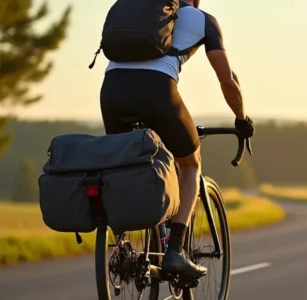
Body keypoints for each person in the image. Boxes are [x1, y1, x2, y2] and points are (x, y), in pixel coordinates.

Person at [98, 0, 254, 278]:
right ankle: (175, 251)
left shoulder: (136, 10)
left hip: (111, 92)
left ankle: (121, 242)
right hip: (157, 92)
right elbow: (228, 79)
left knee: (124, 164)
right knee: (191, 164)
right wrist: (241, 120)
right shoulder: (202, 19)